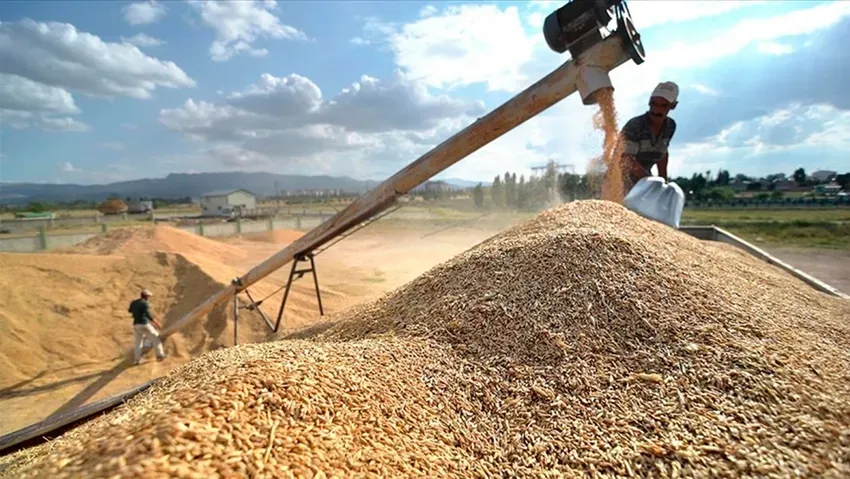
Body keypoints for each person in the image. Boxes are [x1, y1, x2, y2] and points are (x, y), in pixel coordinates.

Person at [619, 81, 679, 191]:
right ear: (649, 102)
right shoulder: (635, 125)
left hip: (643, 181)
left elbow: (663, 154)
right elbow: (626, 159)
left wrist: (663, 183)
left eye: (663, 106)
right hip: (620, 179)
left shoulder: (670, 126)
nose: (657, 110)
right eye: (654, 104)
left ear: (673, 106)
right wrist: (650, 182)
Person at [128, 289, 166, 365]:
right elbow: (148, 315)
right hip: (144, 324)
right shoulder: (144, 303)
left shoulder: (134, 302)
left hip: (136, 324)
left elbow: (130, 310)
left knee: (138, 343)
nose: (149, 298)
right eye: (149, 296)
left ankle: (137, 360)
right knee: (156, 338)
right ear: (146, 296)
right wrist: (156, 323)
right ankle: (160, 355)